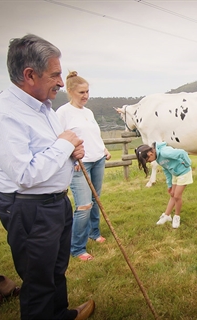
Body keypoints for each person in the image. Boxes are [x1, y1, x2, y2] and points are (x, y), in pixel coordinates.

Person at [0, 34, 95, 319]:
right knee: (38, 279)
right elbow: (25, 174)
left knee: (56, 269)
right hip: (29, 207)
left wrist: (70, 152)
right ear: (30, 75)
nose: (60, 82)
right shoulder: (2, 115)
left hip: (54, 202)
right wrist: (65, 145)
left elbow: (51, 149)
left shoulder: (44, 107)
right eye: (55, 75)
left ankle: (61, 314)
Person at [56, 71, 111, 261]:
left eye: (87, 92)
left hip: (98, 159)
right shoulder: (62, 113)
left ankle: (93, 233)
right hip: (80, 163)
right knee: (84, 205)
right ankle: (77, 247)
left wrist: (103, 149)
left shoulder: (88, 112)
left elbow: (93, 134)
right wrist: (70, 157)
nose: (86, 96)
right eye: (81, 92)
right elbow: (58, 139)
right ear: (70, 91)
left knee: (96, 199)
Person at [135, 142, 193, 229]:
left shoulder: (164, 152)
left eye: (148, 160)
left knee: (177, 196)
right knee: (172, 194)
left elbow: (182, 152)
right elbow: (166, 170)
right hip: (175, 174)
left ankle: (177, 217)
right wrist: (169, 185)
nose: (149, 162)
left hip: (183, 173)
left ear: (150, 154)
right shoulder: (158, 158)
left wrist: (188, 164)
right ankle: (167, 215)